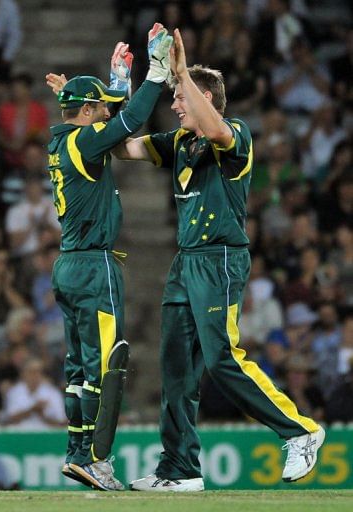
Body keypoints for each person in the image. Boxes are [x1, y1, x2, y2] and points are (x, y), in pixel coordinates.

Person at [47, 27, 325, 493]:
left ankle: (299, 431)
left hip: (219, 258)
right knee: (175, 366)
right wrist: (113, 91)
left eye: (180, 99)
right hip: (185, 262)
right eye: (176, 97)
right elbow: (121, 144)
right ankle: (180, 468)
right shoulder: (176, 143)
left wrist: (178, 72)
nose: (175, 106)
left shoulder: (233, 134)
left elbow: (213, 126)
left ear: (206, 99)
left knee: (221, 359)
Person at [46, 24, 173, 492]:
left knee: (79, 369)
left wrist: (117, 81)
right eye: (98, 107)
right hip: (94, 266)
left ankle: (77, 453)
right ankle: (96, 461)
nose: (106, 113)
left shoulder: (63, 142)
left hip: (68, 265)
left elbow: (108, 115)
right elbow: (129, 120)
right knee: (107, 364)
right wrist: (154, 75)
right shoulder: (85, 140)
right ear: (84, 112)